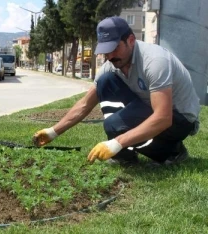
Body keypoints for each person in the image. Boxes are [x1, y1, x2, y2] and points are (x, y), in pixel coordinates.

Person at [32, 16, 200, 166]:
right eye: (106, 50)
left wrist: (117, 142)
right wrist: (53, 132)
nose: (110, 56)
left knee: (115, 125)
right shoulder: (112, 65)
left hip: (179, 119)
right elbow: (84, 104)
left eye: (115, 48)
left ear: (131, 40)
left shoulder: (155, 61)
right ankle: (126, 157)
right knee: (105, 82)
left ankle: (173, 151)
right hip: (150, 109)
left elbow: (163, 118)